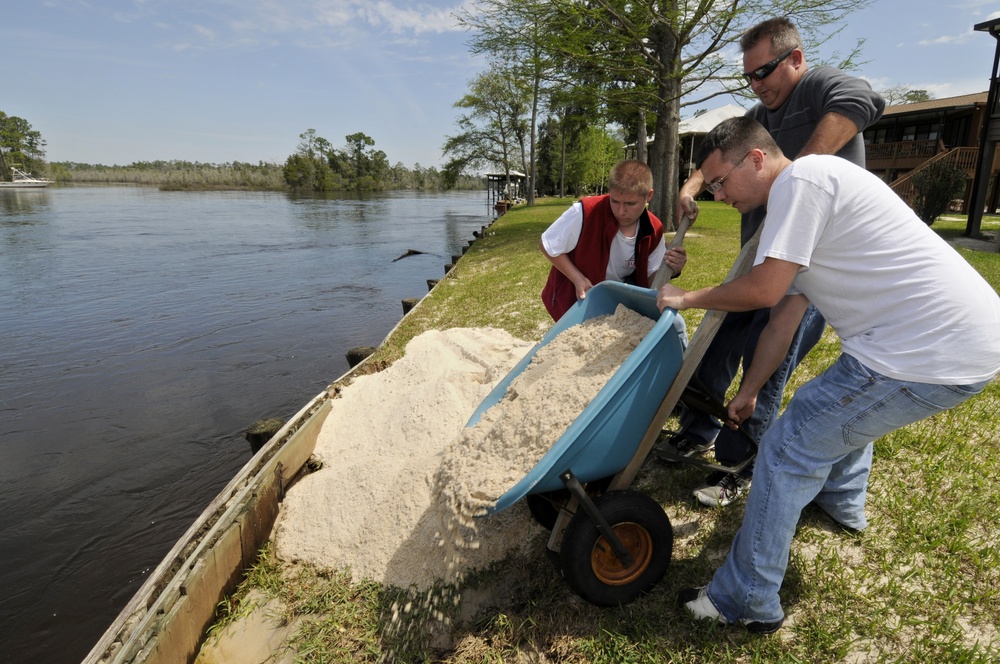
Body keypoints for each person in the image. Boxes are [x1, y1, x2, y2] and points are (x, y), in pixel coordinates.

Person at [657, 116, 1000, 633]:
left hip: (927, 352)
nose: (719, 196)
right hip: (942, 344)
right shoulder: (800, 199)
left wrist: (686, 297)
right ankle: (841, 502)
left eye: (721, 182)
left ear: (755, 158)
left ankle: (745, 600)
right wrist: (750, 391)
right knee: (839, 411)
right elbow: (784, 315)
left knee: (788, 448)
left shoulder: (803, 181)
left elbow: (763, 290)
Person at [657, 17, 886, 509]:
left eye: (765, 71)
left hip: (809, 268)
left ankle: (737, 465)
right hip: (758, 259)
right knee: (719, 344)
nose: (758, 84)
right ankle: (697, 430)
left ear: (796, 59)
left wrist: (794, 182)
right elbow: (726, 149)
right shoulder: (762, 110)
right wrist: (693, 185)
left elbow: (863, 99)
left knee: (767, 366)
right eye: (750, 77)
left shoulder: (821, 86)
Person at [540, 159, 686, 321]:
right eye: (615, 201)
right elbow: (548, 245)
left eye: (630, 203)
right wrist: (577, 278)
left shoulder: (654, 228)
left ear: (648, 196)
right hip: (573, 302)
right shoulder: (585, 211)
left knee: (677, 324)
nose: (621, 211)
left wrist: (672, 268)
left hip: (613, 304)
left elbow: (652, 280)